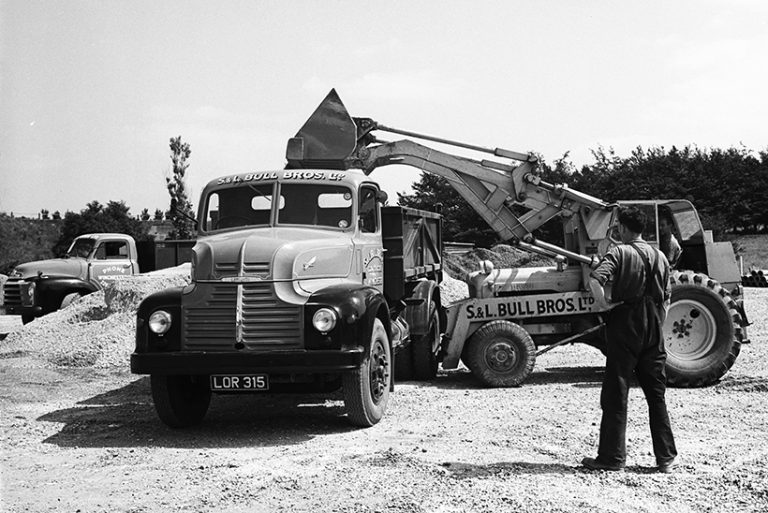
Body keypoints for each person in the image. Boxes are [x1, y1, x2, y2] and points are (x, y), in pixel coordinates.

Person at [582, 206, 677, 473]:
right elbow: (667, 297)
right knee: (656, 394)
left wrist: (604, 305)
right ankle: (666, 458)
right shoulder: (660, 256)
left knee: (617, 392)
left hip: (626, 323)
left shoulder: (619, 252)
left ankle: (612, 458)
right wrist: (658, 321)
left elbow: (595, 279)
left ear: (623, 228)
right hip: (653, 326)